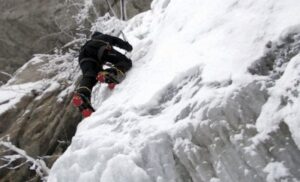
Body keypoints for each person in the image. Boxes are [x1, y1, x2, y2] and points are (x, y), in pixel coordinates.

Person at [72, 31, 133, 117]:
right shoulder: (102, 37)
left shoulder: (87, 43)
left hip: (83, 56)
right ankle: (110, 74)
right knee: (125, 62)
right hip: (99, 47)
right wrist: (128, 47)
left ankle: (82, 95)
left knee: (90, 75)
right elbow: (115, 40)